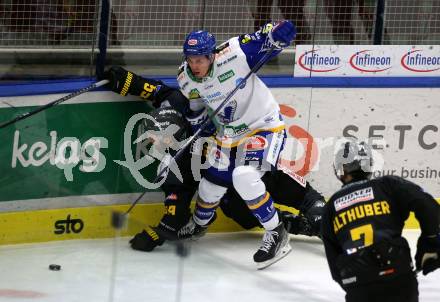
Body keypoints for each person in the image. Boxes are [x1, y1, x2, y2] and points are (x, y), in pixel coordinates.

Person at [105, 66, 325, 254]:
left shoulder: (184, 106)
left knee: (261, 170)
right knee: (241, 210)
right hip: (224, 186)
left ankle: (311, 202)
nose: (156, 146)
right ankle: (295, 224)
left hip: (241, 149)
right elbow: (175, 215)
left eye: (160, 139)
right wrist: (158, 234)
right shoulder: (175, 165)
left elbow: (160, 91)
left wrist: (127, 81)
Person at [177, 21, 296, 269]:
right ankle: (199, 225)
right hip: (229, 134)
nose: (195, 65)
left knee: (243, 176)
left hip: (263, 125)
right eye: (190, 59)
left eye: (200, 59)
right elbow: (196, 108)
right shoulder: (185, 79)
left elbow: (267, 41)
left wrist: (278, 35)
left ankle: (277, 232)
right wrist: (203, 124)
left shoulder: (235, 52)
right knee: (209, 187)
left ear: (212, 55)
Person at [321, 139, 440, 302]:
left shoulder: (330, 207)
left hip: (358, 284)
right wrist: (431, 242)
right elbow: (428, 206)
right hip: (398, 276)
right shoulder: (388, 185)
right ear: (369, 165)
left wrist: (359, 282)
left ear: (340, 170)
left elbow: (335, 267)